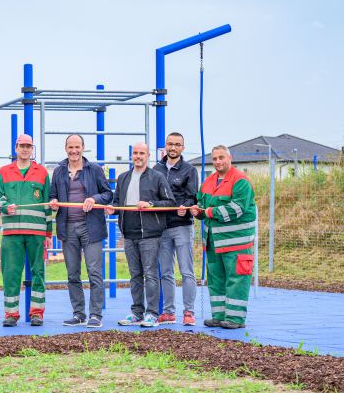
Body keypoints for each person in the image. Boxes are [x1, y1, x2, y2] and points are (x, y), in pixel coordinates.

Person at [49, 134, 114, 328]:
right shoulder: (59, 171)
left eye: (77, 147)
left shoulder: (94, 170)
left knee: (94, 272)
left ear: (83, 148)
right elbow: (53, 195)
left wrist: (94, 199)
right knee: (73, 274)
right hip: (67, 228)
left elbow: (108, 194)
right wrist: (53, 203)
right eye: (70, 147)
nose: (74, 151)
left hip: (91, 228)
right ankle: (78, 314)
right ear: (65, 148)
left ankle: (95, 315)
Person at [109, 142, 175, 328]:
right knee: (135, 275)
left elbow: (170, 202)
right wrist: (111, 209)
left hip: (150, 235)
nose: (138, 156)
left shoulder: (157, 177)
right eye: (135, 153)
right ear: (132, 156)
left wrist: (151, 204)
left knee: (151, 274)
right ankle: (137, 312)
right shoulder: (123, 178)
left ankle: (152, 314)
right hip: (128, 234)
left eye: (142, 153)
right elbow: (116, 204)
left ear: (148, 156)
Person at [190, 145, 257, 329]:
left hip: (237, 243)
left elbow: (237, 208)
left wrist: (210, 212)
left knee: (236, 280)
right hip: (213, 243)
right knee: (216, 281)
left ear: (230, 158)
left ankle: (236, 319)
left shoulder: (240, 181)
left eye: (221, 157)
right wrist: (196, 212)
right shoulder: (208, 182)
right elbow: (202, 206)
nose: (218, 162)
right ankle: (218, 316)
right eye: (215, 159)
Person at [0, 134, 53, 327]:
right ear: (16, 148)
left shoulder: (42, 173)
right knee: (11, 273)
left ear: (32, 148)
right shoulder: (4, 172)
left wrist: (48, 233)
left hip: (37, 233)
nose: (25, 149)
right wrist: (4, 207)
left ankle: (37, 313)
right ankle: (11, 314)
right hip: (11, 233)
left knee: (38, 272)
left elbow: (47, 206)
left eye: (29, 146)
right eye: (22, 146)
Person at [153, 132, 201, 326]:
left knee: (186, 271)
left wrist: (186, 209)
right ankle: (169, 312)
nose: (173, 148)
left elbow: (192, 197)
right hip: (162, 227)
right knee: (165, 271)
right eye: (170, 144)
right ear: (165, 146)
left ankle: (189, 312)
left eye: (177, 145)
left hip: (182, 226)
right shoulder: (156, 169)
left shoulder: (189, 170)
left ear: (183, 147)